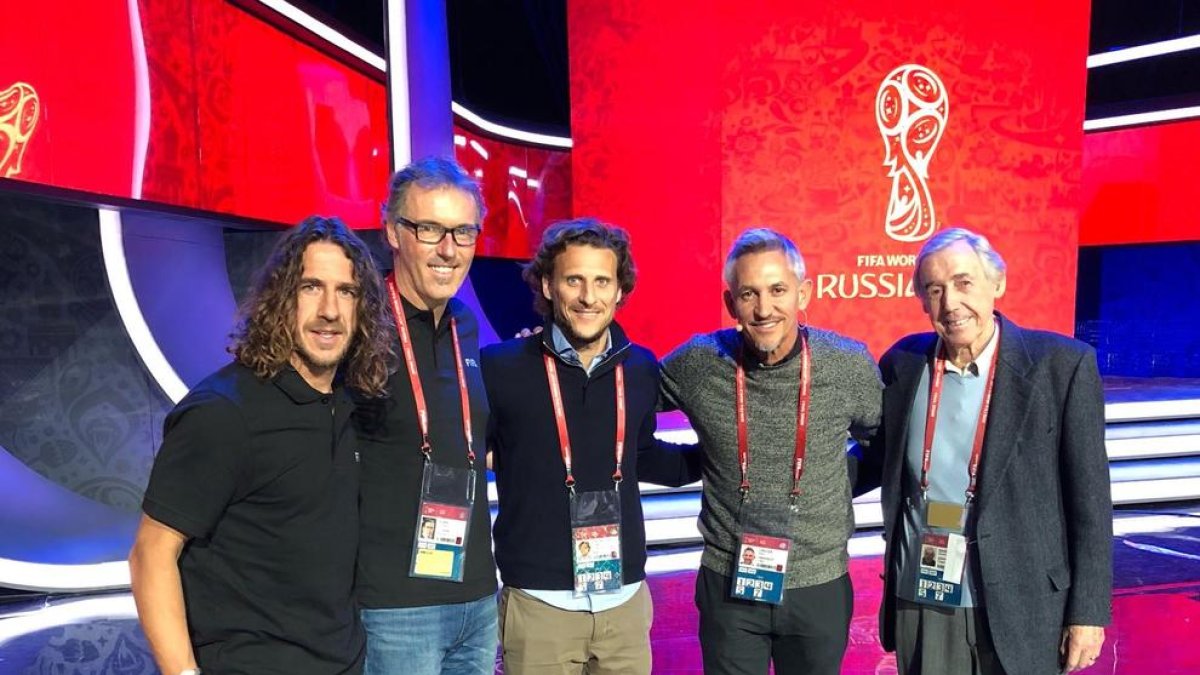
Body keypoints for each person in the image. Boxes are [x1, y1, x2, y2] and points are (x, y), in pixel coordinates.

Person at [128, 216, 394, 675]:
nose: (330, 309)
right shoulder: (223, 413)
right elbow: (151, 553)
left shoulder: (348, 402)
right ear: (281, 298)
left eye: (346, 291)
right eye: (311, 287)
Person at [867, 227, 1112, 674]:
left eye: (964, 283)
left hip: (1024, 600)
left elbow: (1090, 502)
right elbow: (873, 459)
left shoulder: (1061, 366)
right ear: (922, 301)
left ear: (996, 284)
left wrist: (1088, 612)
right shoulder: (903, 364)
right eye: (934, 289)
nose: (950, 303)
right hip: (925, 596)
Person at [659, 227, 882, 675]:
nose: (764, 308)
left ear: (804, 293)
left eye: (778, 290)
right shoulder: (700, 362)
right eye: (749, 294)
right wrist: (695, 465)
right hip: (729, 583)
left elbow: (886, 445)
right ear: (731, 304)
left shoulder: (846, 363)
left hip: (818, 583)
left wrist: (836, 483)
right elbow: (623, 402)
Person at [482, 219, 700, 675]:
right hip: (540, 606)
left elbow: (640, 455)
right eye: (574, 280)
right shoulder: (500, 368)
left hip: (624, 603)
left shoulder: (640, 367)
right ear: (548, 283)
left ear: (620, 290)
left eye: (602, 281)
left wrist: (716, 458)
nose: (588, 297)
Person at [353, 157, 497, 675]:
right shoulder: (358, 325)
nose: (448, 249)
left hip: (478, 597)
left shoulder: (466, 324)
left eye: (463, 231)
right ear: (393, 230)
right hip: (394, 607)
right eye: (430, 229)